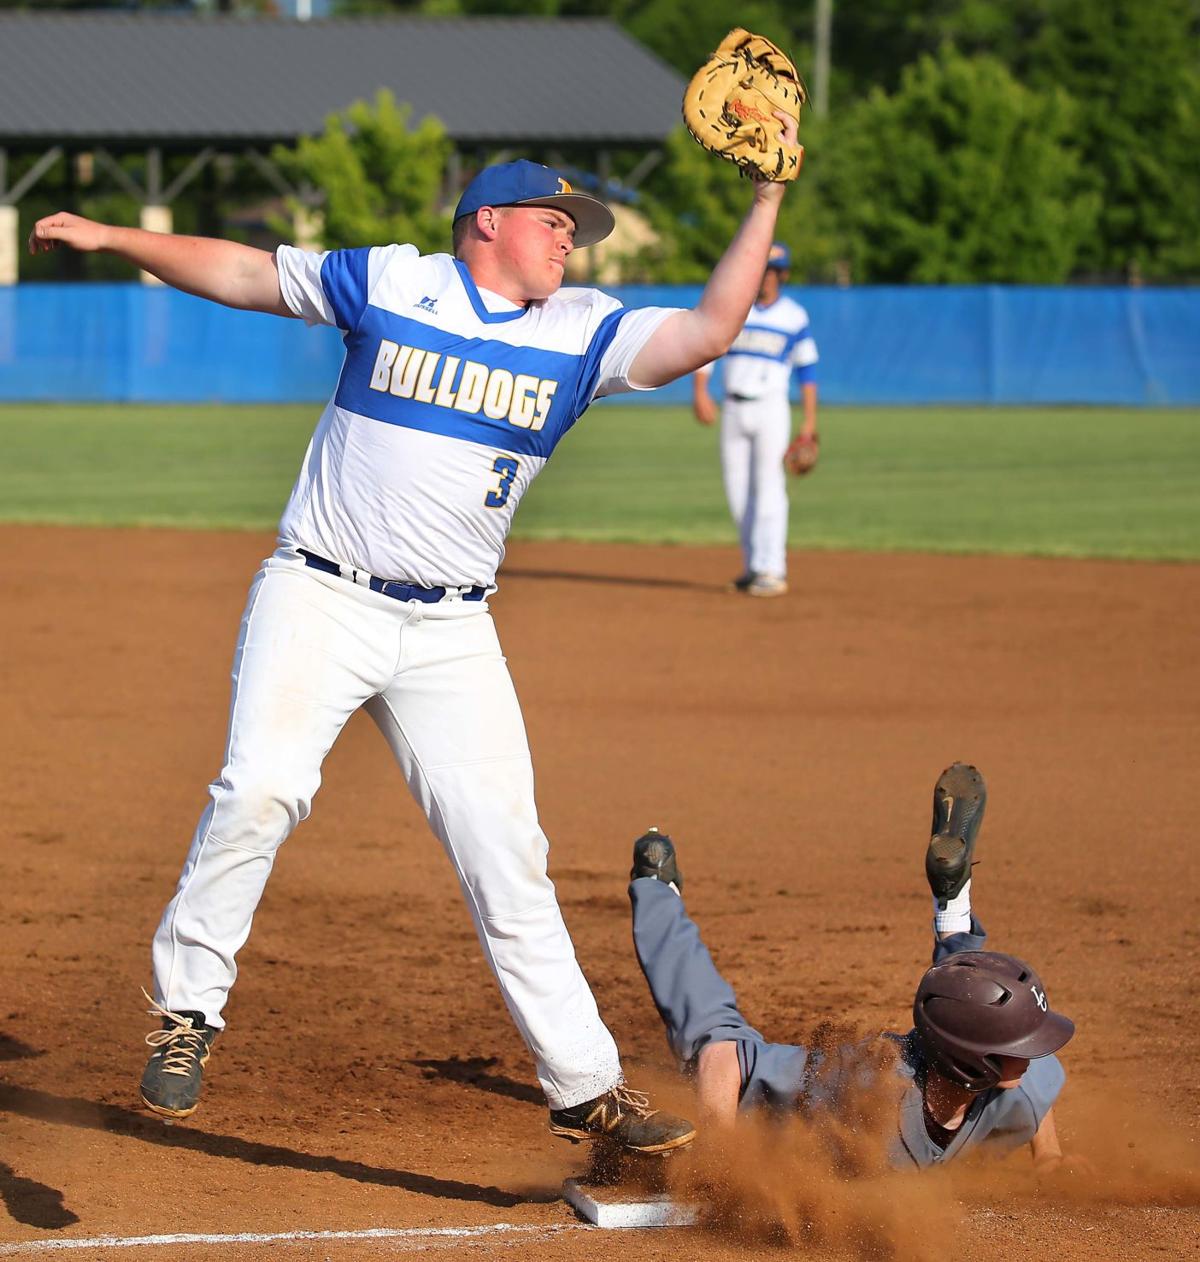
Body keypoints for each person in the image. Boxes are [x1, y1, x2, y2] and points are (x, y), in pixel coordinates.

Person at [28, 128, 798, 1155]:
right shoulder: (394, 281)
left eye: (578, 228)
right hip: (321, 594)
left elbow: (709, 328)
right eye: (556, 222)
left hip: (451, 628)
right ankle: (187, 1014)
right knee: (260, 785)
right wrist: (117, 232)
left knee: (507, 849)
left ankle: (584, 1083)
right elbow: (248, 272)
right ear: (490, 221)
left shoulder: (582, 330)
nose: (573, 242)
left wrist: (767, 201)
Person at [628, 763, 1080, 1170]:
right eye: (1017, 1048)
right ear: (972, 1064)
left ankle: (953, 911)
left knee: (965, 996)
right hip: (822, 1087)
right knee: (711, 1026)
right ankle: (655, 885)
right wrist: (720, 1153)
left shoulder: (1019, 1078)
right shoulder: (863, 1090)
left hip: (951, 1051)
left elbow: (1031, 1087)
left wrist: (1049, 1156)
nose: (1032, 1055)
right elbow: (723, 1055)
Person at [692, 243, 818, 598]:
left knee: (769, 489)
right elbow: (706, 351)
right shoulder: (735, 308)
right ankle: (752, 567)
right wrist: (700, 391)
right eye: (762, 269)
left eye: (772, 271)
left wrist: (809, 425)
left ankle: (772, 569)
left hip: (770, 408)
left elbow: (808, 373)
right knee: (737, 493)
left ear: (784, 275)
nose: (765, 277)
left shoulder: (793, 316)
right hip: (733, 407)